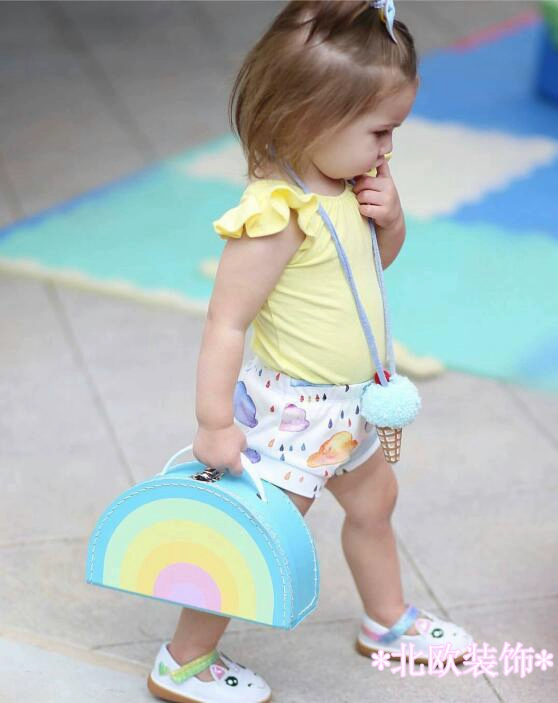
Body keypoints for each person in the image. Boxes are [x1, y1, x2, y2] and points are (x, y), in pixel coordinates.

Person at [147, 2, 473, 701]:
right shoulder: (277, 214)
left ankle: (387, 621)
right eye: (380, 131)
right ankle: (184, 658)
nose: (389, 148)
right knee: (253, 532)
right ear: (307, 119)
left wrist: (391, 221)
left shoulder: (349, 188)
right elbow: (225, 322)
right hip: (292, 413)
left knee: (375, 502)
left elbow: (369, 272)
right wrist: (213, 421)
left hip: (352, 406)